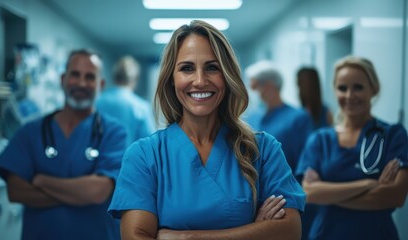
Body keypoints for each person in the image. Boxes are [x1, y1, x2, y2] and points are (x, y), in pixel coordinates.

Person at [108, 20, 305, 239]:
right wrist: (254, 231)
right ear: (171, 80)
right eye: (187, 68)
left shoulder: (263, 150)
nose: (200, 81)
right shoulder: (144, 156)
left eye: (212, 67)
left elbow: (290, 231)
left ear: (227, 76)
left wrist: (186, 237)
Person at [0, 49, 128, 240]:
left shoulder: (114, 132)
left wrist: (41, 181)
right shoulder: (31, 131)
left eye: (90, 77)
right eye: (75, 74)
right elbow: (15, 191)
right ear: (63, 79)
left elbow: (98, 192)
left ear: (101, 84)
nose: (81, 83)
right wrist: (78, 195)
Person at [295, 56, 408, 240]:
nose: (349, 96)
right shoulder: (320, 139)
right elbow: (309, 193)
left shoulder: (393, 135)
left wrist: (328, 193)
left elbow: (395, 197)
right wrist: (369, 184)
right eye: (342, 88)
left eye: (358, 87)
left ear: (374, 88)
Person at [244, 60, 314, 173]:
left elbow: (304, 160)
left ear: (269, 86)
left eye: (255, 87)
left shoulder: (298, 118)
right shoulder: (252, 117)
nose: (253, 92)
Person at [296, 66, 333, 240]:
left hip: (315, 175)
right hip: (311, 174)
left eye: (299, 84)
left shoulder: (302, 115)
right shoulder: (324, 112)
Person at [96, 55, 155, 144]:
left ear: (114, 77)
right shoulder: (141, 107)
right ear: (135, 79)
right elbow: (150, 141)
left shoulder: (98, 101)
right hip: (129, 157)